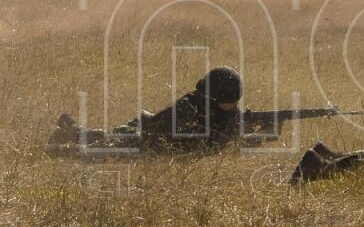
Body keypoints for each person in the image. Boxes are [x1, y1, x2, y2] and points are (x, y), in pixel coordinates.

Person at [47, 66, 257, 155]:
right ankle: (58, 147)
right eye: (228, 101)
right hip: (141, 139)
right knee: (100, 149)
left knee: (102, 138)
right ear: (213, 97)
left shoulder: (220, 114)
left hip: (144, 141)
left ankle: (69, 128)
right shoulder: (189, 106)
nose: (232, 106)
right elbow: (158, 136)